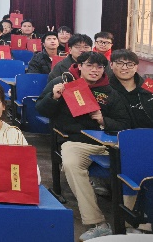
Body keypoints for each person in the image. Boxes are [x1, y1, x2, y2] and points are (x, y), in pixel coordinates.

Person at [36, 52, 131, 241]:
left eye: (99, 67)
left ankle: (133, 224)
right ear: (79, 66)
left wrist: (104, 120)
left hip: (108, 144)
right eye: (89, 65)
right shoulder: (63, 82)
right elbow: (40, 109)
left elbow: (124, 123)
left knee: (134, 163)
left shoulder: (111, 91)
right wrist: (54, 97)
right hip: (77, 142)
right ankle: (97, 222)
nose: (94, 70)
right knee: (71, 163)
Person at [109, 49, 153, 128]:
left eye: (130, 64)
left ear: (136, 67)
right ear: (111, 65)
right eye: (119, 63)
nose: (124, 68)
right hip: (119, 133)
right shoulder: (106, 90)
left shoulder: (149, 86)